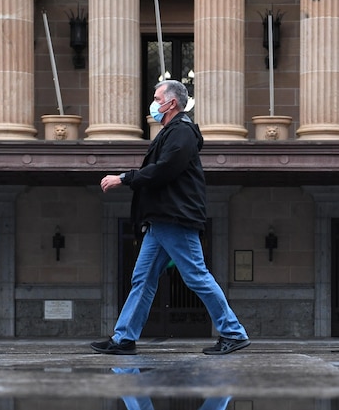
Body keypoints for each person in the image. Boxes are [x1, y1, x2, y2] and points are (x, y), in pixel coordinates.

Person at [91, 80, 249, 356]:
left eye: (156, 98)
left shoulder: (182, 132)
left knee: (196, 276)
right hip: (162, 220)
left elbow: (164, 170)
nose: (153, 104)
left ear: (171, 103)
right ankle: (124, 338)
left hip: (175, 218)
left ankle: (233, 333)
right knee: (143, 278)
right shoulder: (171, 132)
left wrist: (124, 178)